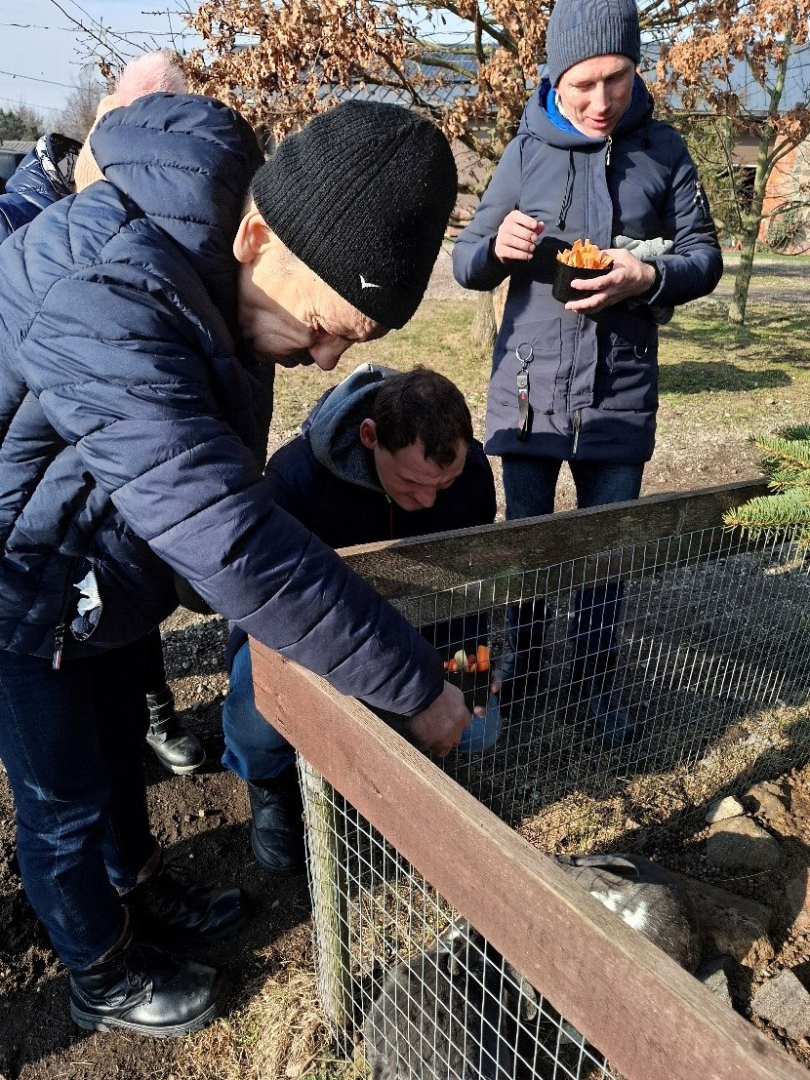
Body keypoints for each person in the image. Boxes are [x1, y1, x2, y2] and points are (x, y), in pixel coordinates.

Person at [0, 83, 465, 1037]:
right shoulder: (111, 293)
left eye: (355, 340)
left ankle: (136, 893)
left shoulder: (227, 274)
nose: (329, 362)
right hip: (20, 573)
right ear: (256, 239)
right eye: (327, 326)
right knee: (61, 794)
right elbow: (230, 537)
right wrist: (415, 681)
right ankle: (99, 969)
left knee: (120, 748)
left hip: (95, 555)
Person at [452, 0, 723, 750]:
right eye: (583, 86)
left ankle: (598, 681)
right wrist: (498, 246)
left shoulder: (664, 152)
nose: (602, 101)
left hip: (619, 394)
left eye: (618, 78)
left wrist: (650, 276)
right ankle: (530, 673)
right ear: (553, 78)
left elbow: (705, 256)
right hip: (531, 393)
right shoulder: (523, 154)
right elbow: (465, 262)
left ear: (635, 69)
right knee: (530, 548)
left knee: (608, 555)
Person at [220, 363, 498, 873]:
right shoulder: (296, 478)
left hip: (424, 629)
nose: (429, 501)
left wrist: (473, 661)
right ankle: (268, 781)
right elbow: (259, 599)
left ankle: (387, 777)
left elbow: (470, 584)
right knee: (253, 712)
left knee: (480, 728)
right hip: (308, 634)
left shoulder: (474, 477)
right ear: (369, 437)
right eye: (413, 483)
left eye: (446, 482)